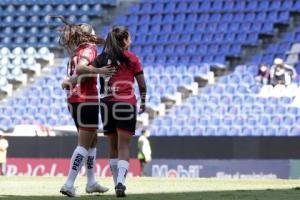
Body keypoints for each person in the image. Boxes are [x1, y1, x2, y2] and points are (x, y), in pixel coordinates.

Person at [56, 16, 115, 197]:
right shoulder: (89, 49)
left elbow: (75, 74)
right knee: (84, 144)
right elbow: (82, 68)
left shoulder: (76, 51)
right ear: (89, 35)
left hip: (74, 100)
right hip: (86, 100)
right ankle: (68, 183)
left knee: (92, 141)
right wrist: (100, 71)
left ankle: (91, 182)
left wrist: (69, 81)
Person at [92, 26, 147, 197]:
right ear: (124, 40)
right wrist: (143, 100)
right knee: (123, 146)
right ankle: (121, 183)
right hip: (126, 104)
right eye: (129, 37)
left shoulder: (102, 58)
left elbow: (86, 69)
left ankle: (117, 183)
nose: (130, 40)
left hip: (107, 104)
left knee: (112, 146)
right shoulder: (132, 59)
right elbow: (142, 84)